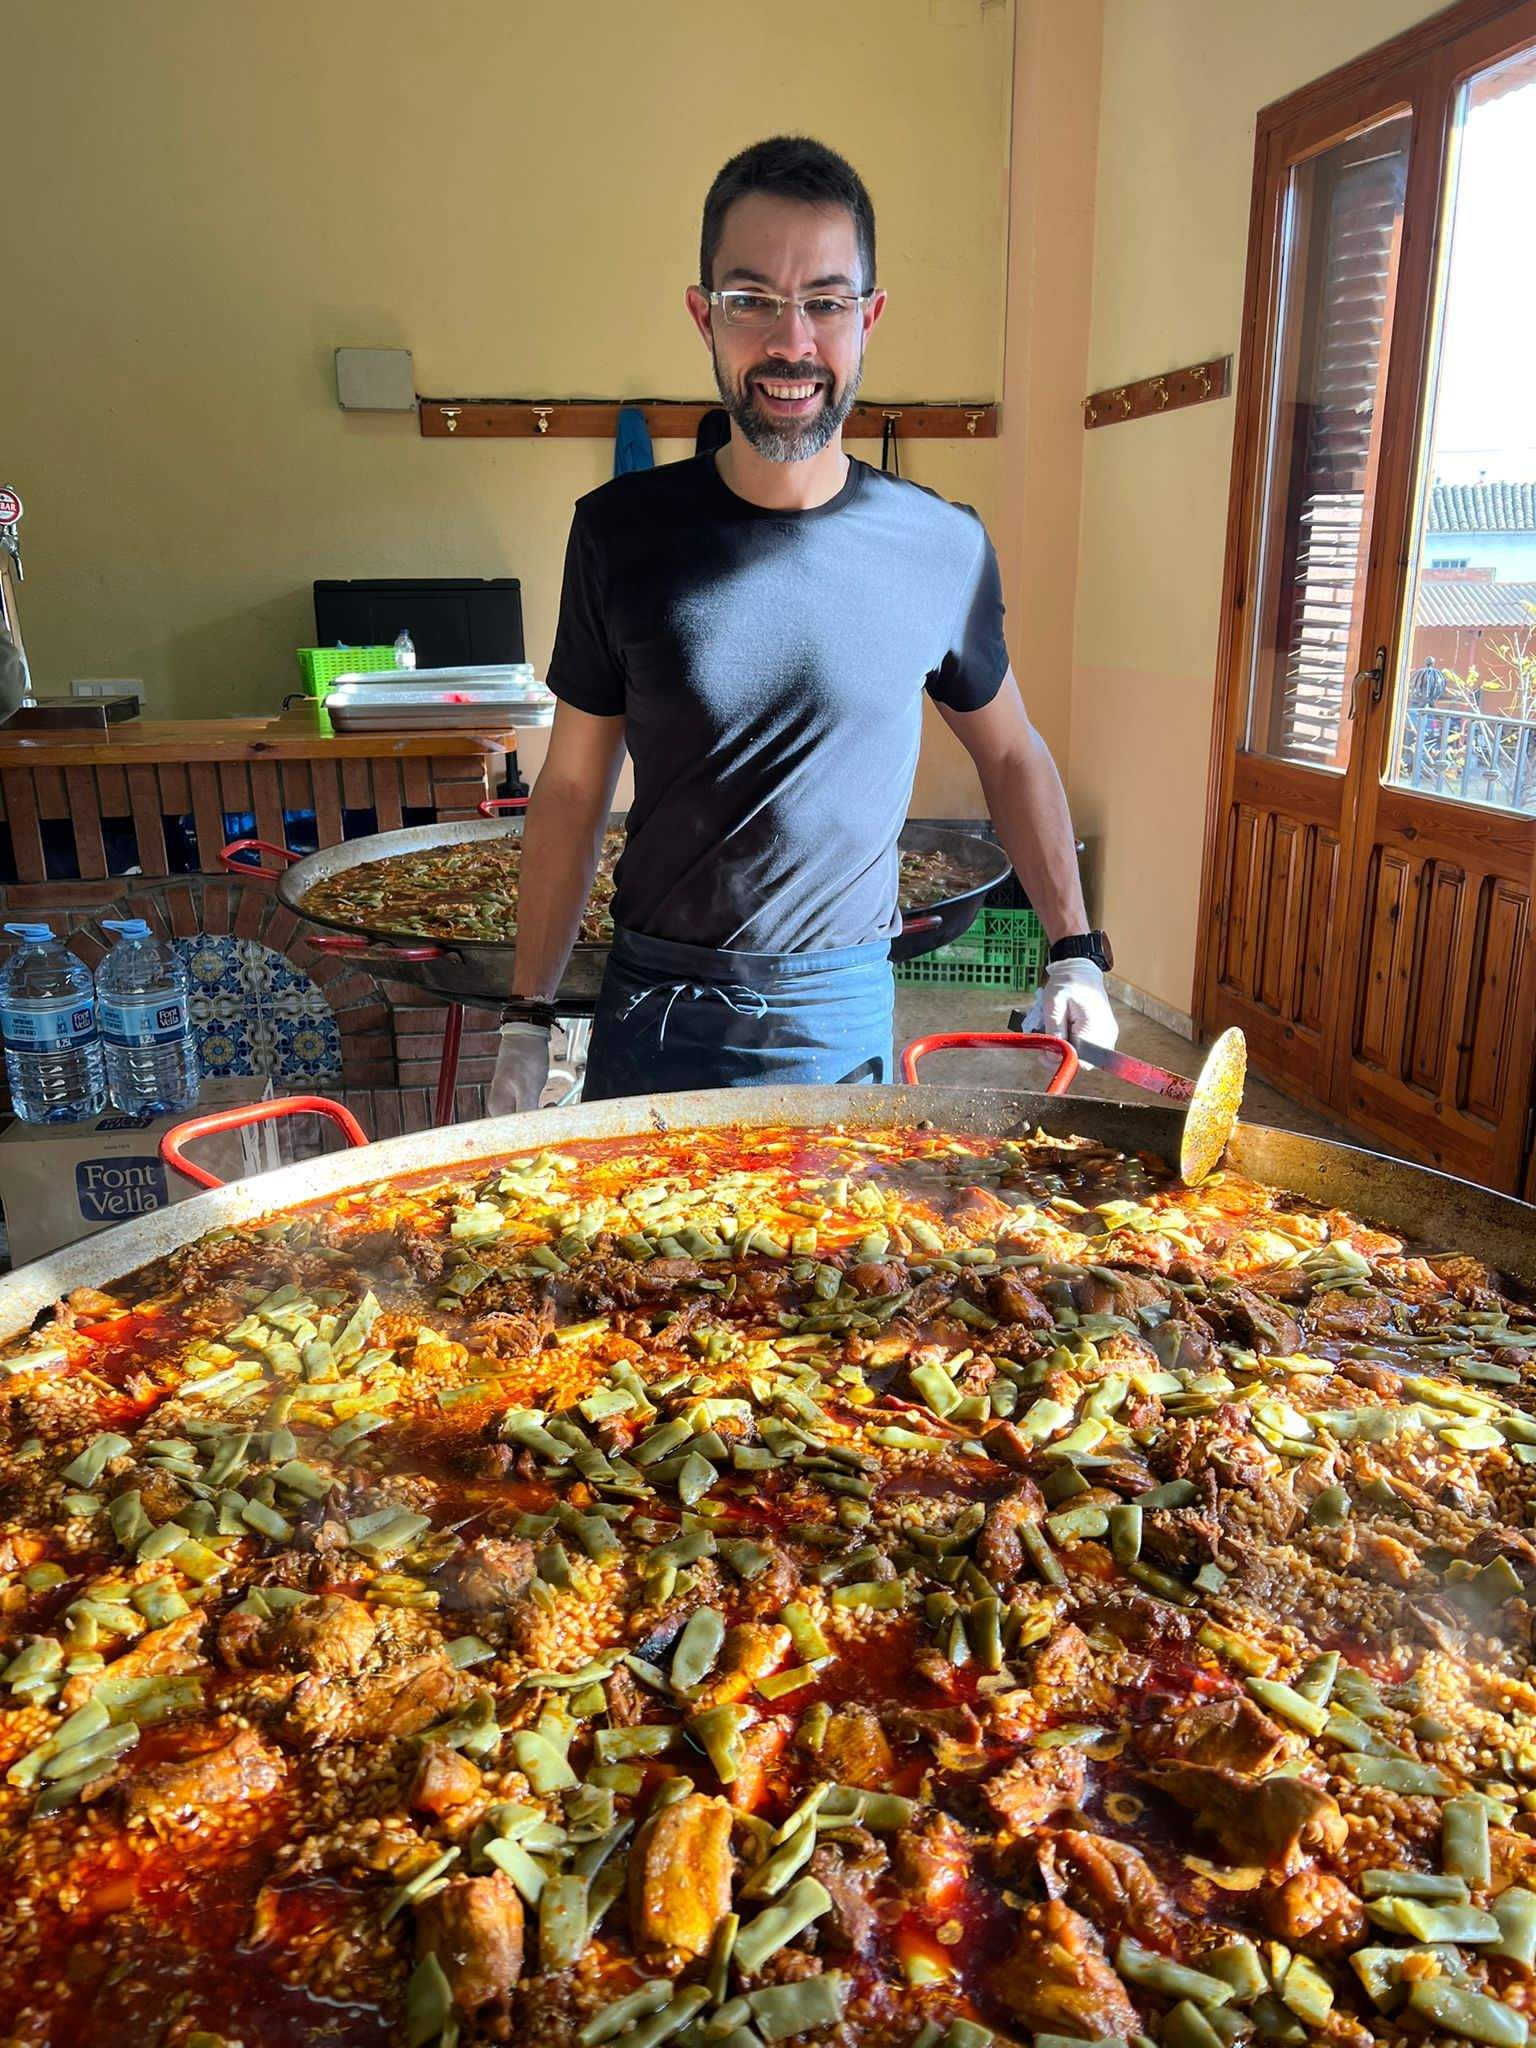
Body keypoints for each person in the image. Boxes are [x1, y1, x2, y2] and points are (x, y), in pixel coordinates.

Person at [491, 136, 1115, 1113]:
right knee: (626, 1270)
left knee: (844, 1266)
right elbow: (571, 789)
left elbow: (1012, 753)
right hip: (654, 1011)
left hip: (839, 1017)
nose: (793, 342)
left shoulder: (939, 545)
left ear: (867, 318)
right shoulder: (619, 533)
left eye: (825, 301)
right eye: (753, 300)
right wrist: (527, 1019)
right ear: (705, 316)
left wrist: (1075, 950)